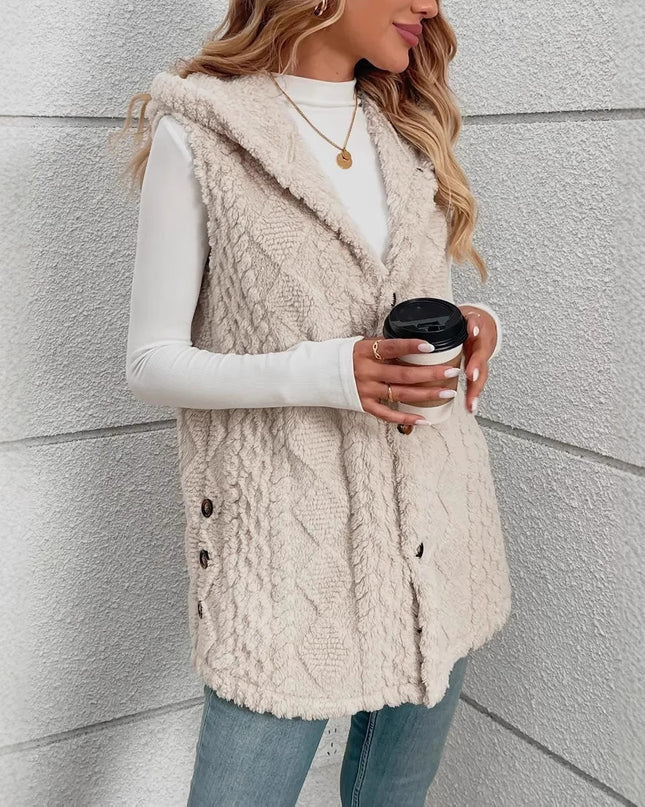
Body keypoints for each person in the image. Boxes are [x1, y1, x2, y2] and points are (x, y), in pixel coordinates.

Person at [111, 1, 513, 804]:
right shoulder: (205, 133)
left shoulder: (402, 131)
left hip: (438, 540)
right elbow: (150, 362)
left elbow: (409, 298)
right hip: (284, 562)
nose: (429, 7)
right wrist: (332, 372)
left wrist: (477, 324)